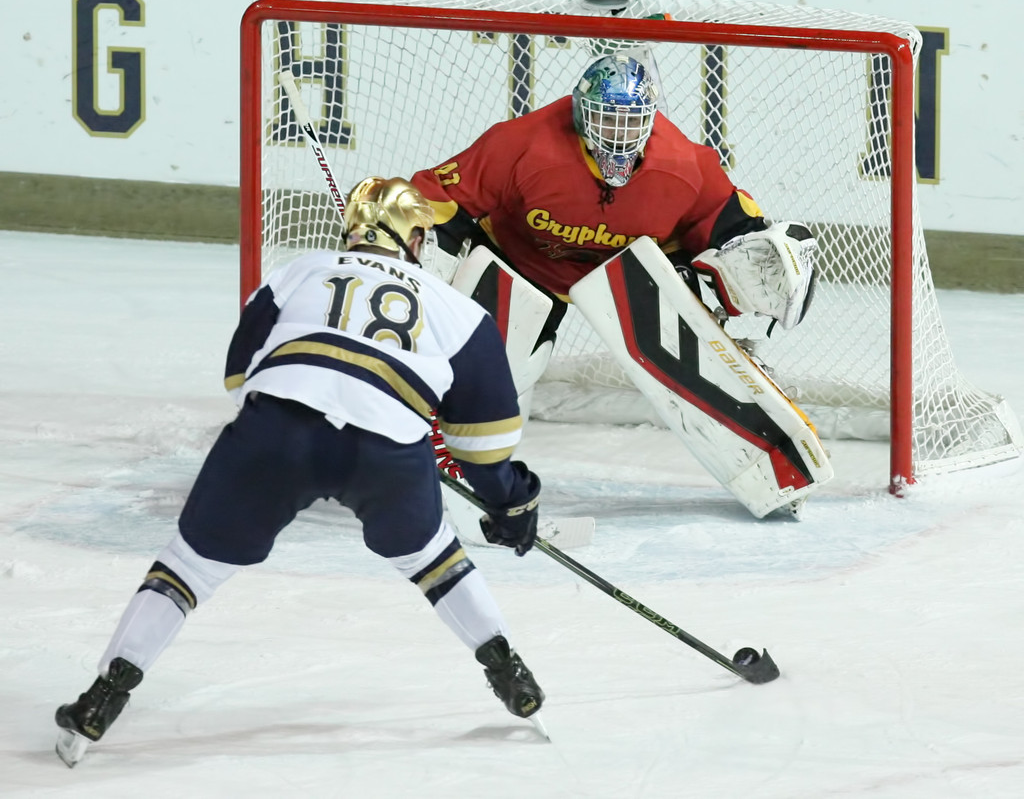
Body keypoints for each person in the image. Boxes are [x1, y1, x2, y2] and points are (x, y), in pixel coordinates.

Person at [53, 177, 546, 768]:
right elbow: (483, 448)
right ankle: (509, 673)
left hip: (275, 432)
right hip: (387, 452)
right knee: (432, 560)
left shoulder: (296, 271)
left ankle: (101, 700)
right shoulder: (460, 311)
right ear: (415, 239)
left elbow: (240, 377)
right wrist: (510, 506)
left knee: (188, 567)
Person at [410, 54, 823, 518]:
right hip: (523, 263)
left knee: (701, 358)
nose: (618, 136)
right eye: (606, 120)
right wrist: (406, 252)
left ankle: (775, 471)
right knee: (487, 372)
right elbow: (434, 199)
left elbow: (733, 228)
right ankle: (449, 473)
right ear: (579, 112)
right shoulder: (522, 144)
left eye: (631, 123)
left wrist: (759, 258)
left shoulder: (685, 166)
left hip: (631, 272)